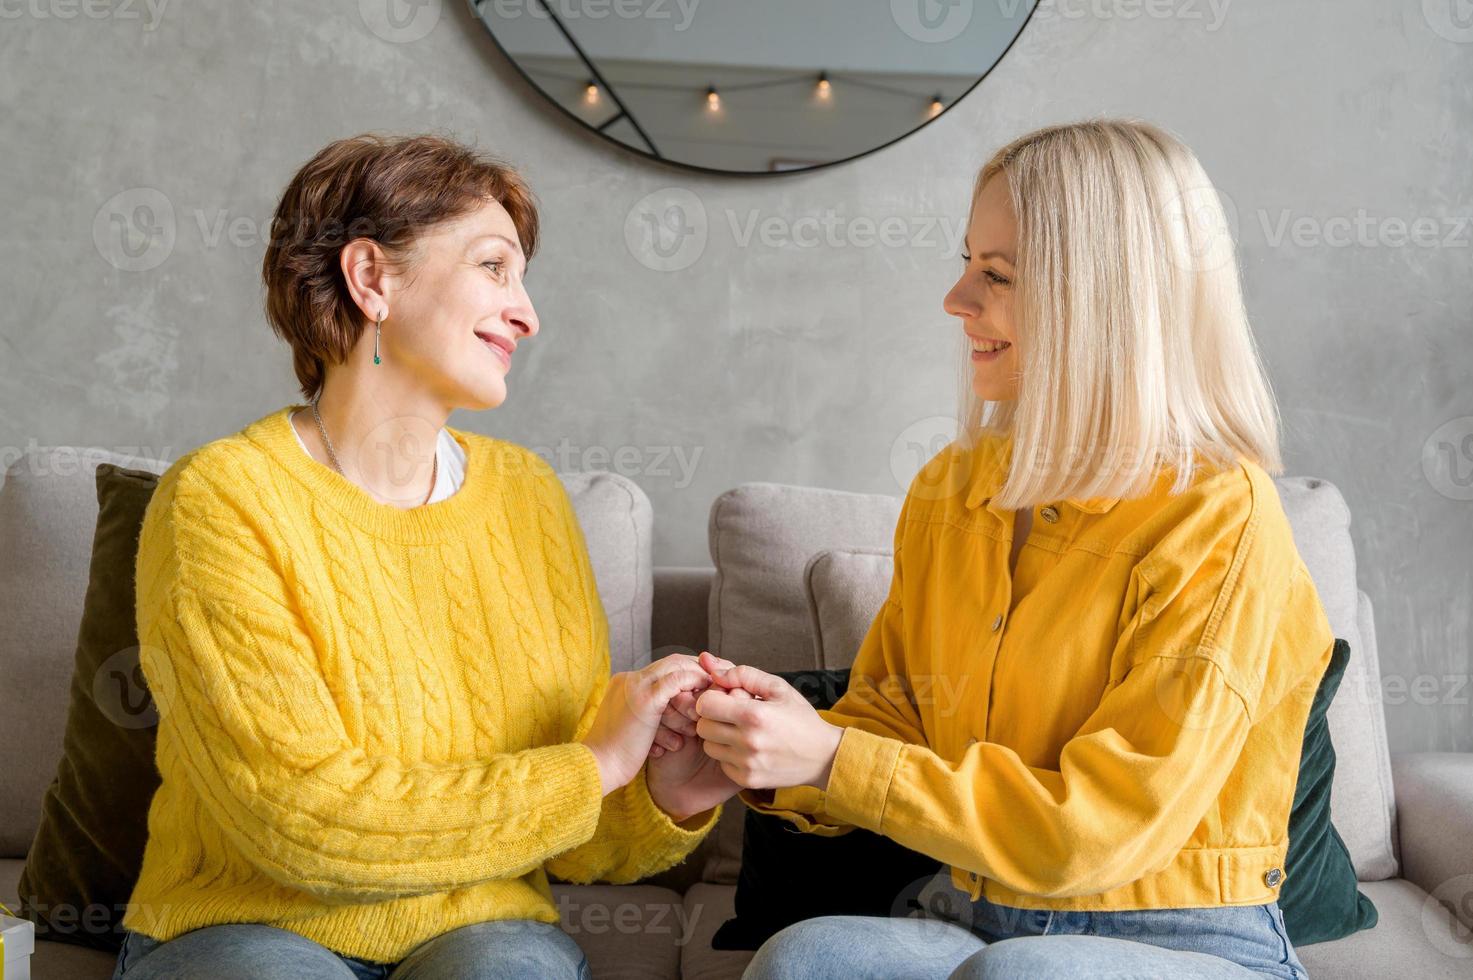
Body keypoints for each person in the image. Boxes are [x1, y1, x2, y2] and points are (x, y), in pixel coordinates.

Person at [667, 119, 1328, 979]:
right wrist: (773, 741)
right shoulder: (952, 487)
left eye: (996, 275)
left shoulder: (1220, 520)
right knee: (807, 959)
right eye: (966, 261)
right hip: (973, 910)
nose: (955, 298)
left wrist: (834, 758)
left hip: (1184, 932)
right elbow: (894, 717)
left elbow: (1101, 831)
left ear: (1103, 299)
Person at [112, 134, 728, 980]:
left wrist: (669, 790)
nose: (527, 312)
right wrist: (594, 765)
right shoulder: (223, 499)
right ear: (372, 278)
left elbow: (574, 831)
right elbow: (299, 823)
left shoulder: (530, 499)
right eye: (493, 267)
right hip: (250, 927)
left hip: (485, 931)